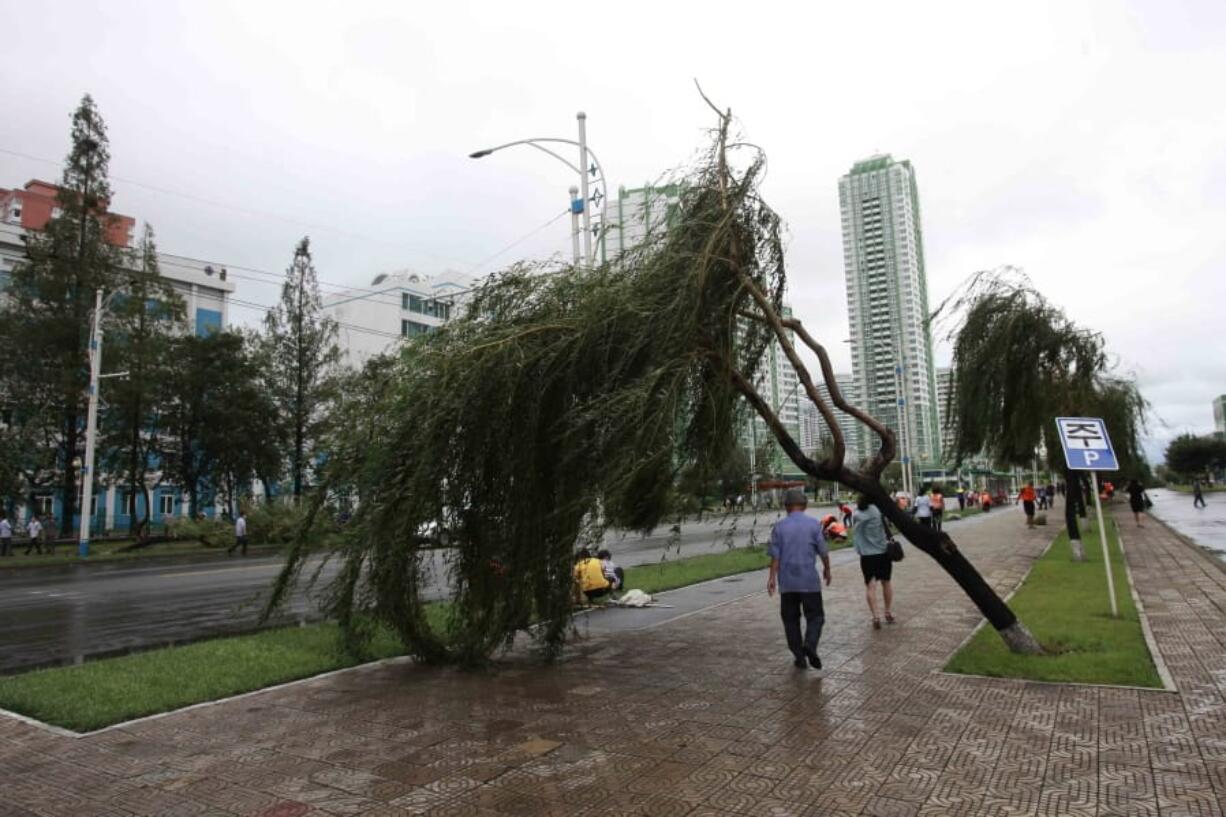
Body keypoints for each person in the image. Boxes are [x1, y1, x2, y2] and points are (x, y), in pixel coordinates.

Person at [766, 488, 830, 670]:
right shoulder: (814, 525)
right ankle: (810, 644)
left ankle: (799, 655)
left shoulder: (779, 527)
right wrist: (827, 569)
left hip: (787, 583)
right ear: (805, 505)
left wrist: (771, 578)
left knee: (790, 620)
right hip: (809, 582)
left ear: (786, 506)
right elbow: (823, 552)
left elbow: (775, 557)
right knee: (816, 616)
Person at [851, 494, 896, 630]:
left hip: (867, 555)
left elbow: (855, 533)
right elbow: (888, 526)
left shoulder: (857, 514)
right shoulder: (879, 511)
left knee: (871, 586)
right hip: (883, 553)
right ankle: (887, 612)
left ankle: (876, 616)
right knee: (886, 583)